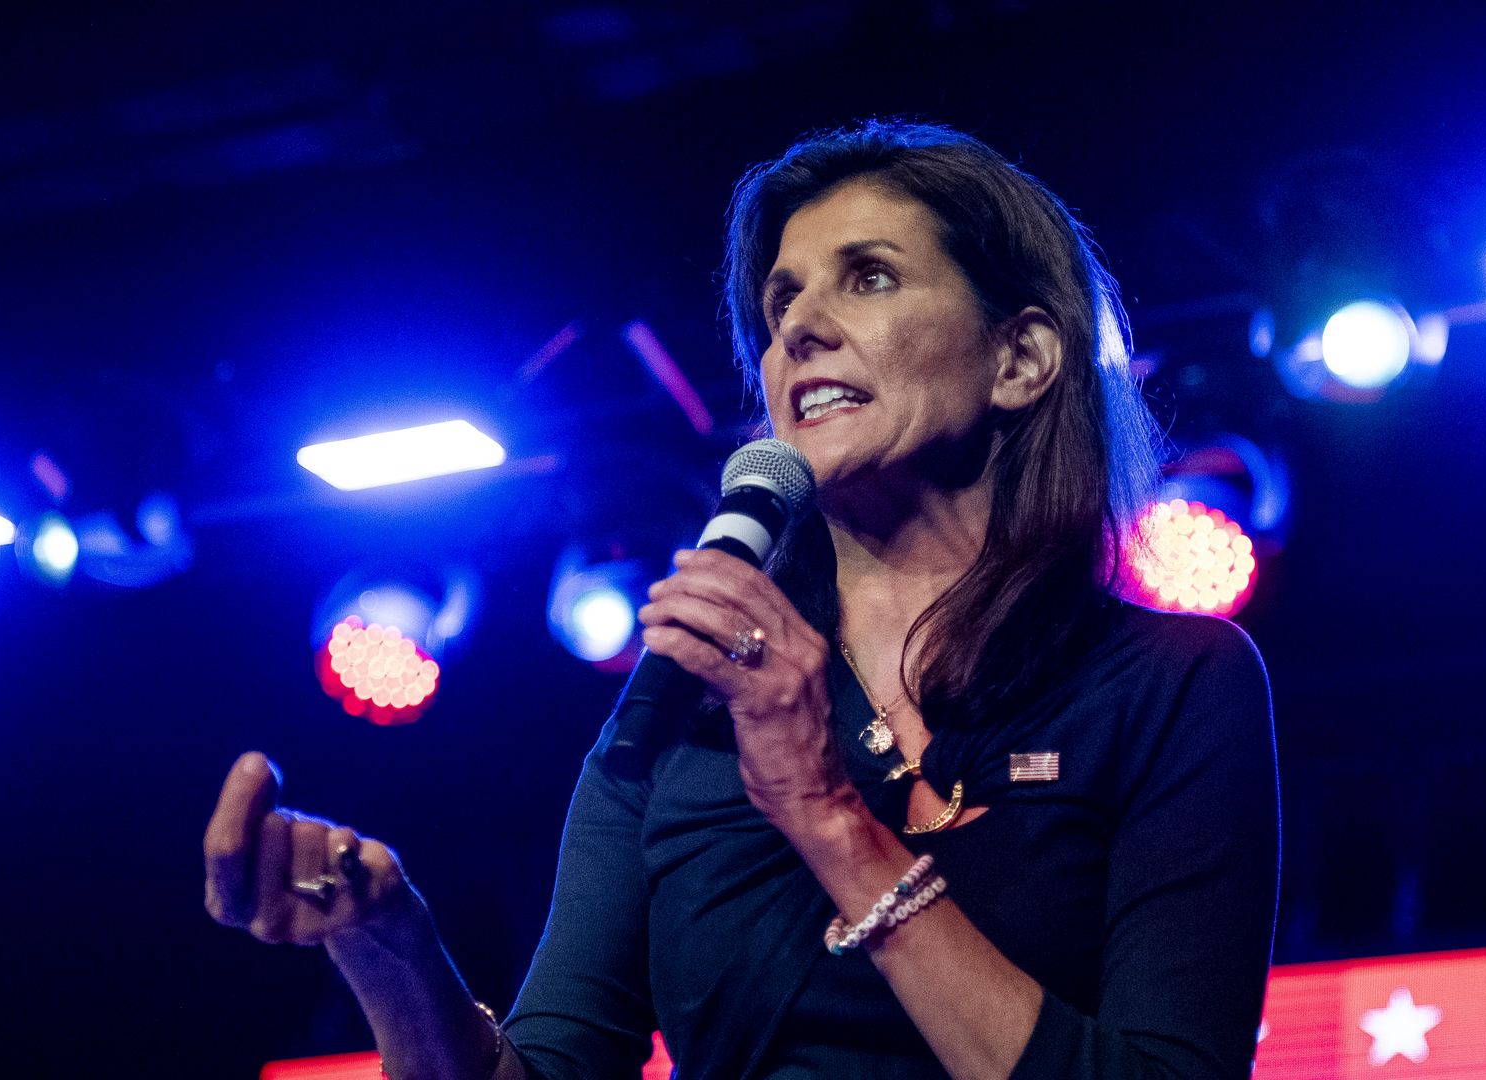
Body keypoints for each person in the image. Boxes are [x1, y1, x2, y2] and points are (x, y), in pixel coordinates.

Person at [204, 119, 1279, 1079]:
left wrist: (828, 819)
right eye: (780, 301)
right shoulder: (682, 708)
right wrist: (390, 947)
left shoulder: (1172, 684)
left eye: (868, 278)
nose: (799, 326)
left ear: (1022, 358)